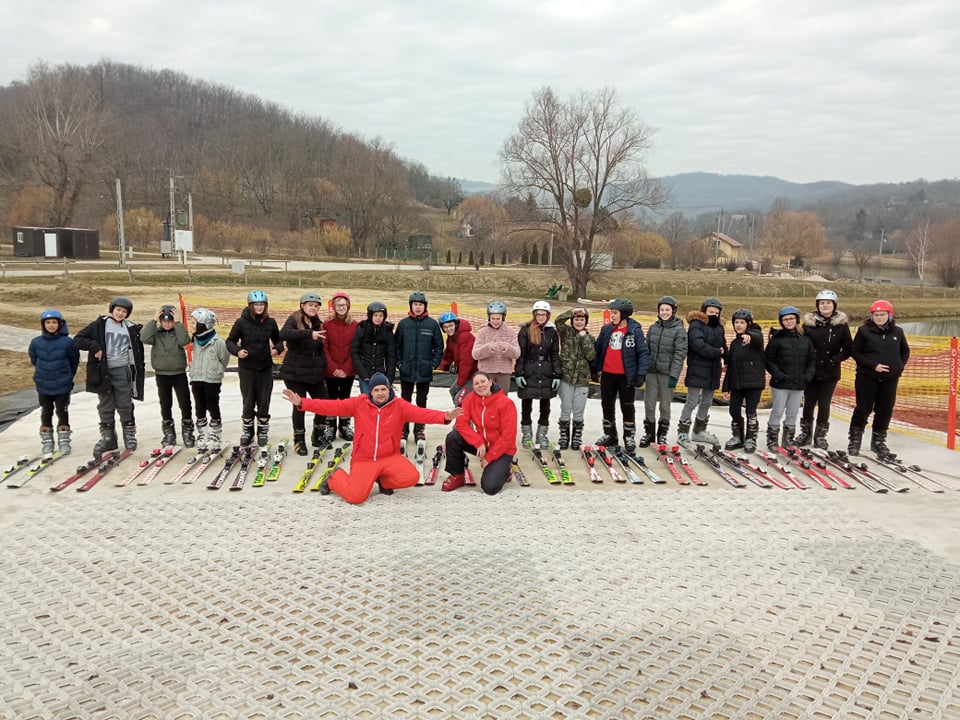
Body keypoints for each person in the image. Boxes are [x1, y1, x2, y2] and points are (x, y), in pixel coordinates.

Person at [282, 372, 461, 504]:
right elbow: (332, 406)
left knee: (412, 477)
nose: (381, 393)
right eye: (376, 390)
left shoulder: (398, 406)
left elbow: (421, 414)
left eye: (384, 389)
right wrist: (302, 403)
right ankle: (334, 478)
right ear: (371, 391)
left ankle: (382, 480)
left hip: (389, 457)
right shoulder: (359, 403)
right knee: (356, 497)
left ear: (389, 389)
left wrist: (444, 416)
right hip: (364, 458)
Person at [74, 296, 146, 457]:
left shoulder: (130, 328)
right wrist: (94, 346)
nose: (120, 313)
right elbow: (78, 340)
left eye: (124, 312)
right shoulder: (99, 325)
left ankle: (129, 434)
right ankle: (108, 438)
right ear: (112, 309)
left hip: (122, 370)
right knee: (105, 405)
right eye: (118, 310)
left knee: (124, 403)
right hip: (103, 371)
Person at [848, 300, 910, 457]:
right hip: (867, 377)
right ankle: (855, 440)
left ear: (890, 315)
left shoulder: (897, 332)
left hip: (889, 379)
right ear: (872, 316)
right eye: (876, 315)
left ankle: (878, 442)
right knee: (863, 409)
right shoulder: (864, 331)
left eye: (883, 314)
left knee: (885, 410)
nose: (879, 317)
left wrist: (899, 366)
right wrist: (873, 365)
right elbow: (855, 352)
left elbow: (905, 351)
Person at [442, 371, 518, 495]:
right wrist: (478, 442)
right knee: (453, 437)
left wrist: (488, 458)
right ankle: (457, 475)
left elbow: (508, 436)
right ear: (473, 386)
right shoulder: (470, 399)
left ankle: (506, 470)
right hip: (482, 444)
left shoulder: (505, 403)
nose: (480, 385)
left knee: (490, 488)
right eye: (476, 383)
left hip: (502, 449)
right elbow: (461, 424)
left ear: (490, 382)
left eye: (483, 381)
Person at [795, 290, 853, 449]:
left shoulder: (841, 325)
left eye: (828, 303)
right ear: (817, 305)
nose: (825, 306)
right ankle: (806, 433)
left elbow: (848, 348)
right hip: (811, 370)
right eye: (822, 303)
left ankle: (820, 436)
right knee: (809, 402)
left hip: (830, 371)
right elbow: (800, 343)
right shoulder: (809, 324)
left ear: (834, 305)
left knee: (824, 403)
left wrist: (834, 360)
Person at [226, 290, 283, 446]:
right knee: (248, 401)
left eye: (262, 304)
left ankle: (262, 431)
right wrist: (238, 351)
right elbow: (230, 341)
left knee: (264, 401)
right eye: (256, 304)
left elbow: (279, 341)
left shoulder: (270, 322)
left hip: (265, 367)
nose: (259, 307)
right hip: (247, 367)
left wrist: (276, 350)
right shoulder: (241, 322)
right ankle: (248, 431)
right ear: (250, 305)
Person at [593, 298, 650, 453]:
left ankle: (629, 436)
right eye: (611, 313)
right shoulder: (606, 330)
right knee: (607, 404)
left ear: (624, 314)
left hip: (626, 376)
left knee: (627, 405)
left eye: (615, 313)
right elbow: (598, 349)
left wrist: (641, 374)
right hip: (608, 374)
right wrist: (594, 369)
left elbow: (643, 353)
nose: (612, 316)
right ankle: (610, 434)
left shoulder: (634, 331)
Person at [279, 293, 327, 456]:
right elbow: (284, 334)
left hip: (314, 372)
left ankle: (318, 435)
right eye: (310, 305)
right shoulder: (294, 319)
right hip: (295, 373)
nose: (313, 308)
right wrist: (308, 333)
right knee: (299, 405)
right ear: (302, 306)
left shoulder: (317, 323)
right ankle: (299, 440)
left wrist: (323, 365)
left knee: (322, 403)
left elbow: (320, 349)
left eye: (316, 306)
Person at [28, 309, 80, 457]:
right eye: (48, 322)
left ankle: (64, 440)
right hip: (43, 384)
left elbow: (74, 361)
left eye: (54, 322)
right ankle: (47, 441)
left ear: (60, 324)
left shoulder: (68, 342)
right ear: (43, 324)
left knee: (62, 411)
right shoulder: (36, 342)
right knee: (46, 411)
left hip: (62, 385)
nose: (51, 325)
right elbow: (34, 359)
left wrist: (67, 376)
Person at [141, 304, 194, 448]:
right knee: (165, 403)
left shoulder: (178, 331)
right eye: (164, 321)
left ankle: (187, 430)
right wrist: (153, 320)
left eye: (170, 321)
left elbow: (184, 341)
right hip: (162, 374)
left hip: (179, 373)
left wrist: (178, 323)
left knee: (185, 402)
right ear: (160, 321)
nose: (167, 324)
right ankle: (168, 432)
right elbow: (144, 338)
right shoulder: (156, 333)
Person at [394, 291, 443, 443]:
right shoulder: (403, 324)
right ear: (411, 306)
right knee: (405, 400)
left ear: (425, 306)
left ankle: (419, 429)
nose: (418, 307)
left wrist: (433, 364)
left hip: (424, 370)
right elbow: (396, 346)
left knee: (421, 401)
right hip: (407, 369)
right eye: (415, 304)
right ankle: (403, 429)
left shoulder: (432, 324)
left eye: (420, 305)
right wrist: (399, 363)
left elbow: (439, 346)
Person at [764, 306, 816, 450]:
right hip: (781, 383)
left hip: (798, 383)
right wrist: (778, 375)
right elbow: (769, 360)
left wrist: (807, 376)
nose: (788, 322)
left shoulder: (805, 339)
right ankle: (772, 440)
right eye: (785, 319)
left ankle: (788, 440)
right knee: (777, 411)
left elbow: (812, 360)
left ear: (797, 320)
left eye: (791, 318)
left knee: (793, 412)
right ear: (781, 322)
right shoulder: (776, 339)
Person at [677, 297, 725, 447]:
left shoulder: (719, 328)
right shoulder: (696, 325)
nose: (713, 315)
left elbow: (723, 346)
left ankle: (699, 431)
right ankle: (683, 431)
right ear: (704, 311)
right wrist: (717, 352)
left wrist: (728, 359)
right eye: (711, 312)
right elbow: (698, 345)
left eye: (716, 313)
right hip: (697, 369)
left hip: (713, 371)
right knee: (692, 401)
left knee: (707, 402)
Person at [642, 296, 687, 447]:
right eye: (662, 310)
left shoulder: (679, 330)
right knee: (649, 404)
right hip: (652, 372)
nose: (664, 312)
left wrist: (674, 375)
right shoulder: (653, 328)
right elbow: (646, 350)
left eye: (667, 310)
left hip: (667, 374)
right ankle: (649, 433)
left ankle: (662, 434)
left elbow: (680, 354)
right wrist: (643, 370)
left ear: (673, 311)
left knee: (664, 406)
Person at [516, 300, 561, 448]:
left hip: (546, 370)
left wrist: (557, 374)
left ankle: (542, 434)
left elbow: (555, 354)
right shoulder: (525, 331)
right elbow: (521, 354)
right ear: (534, 315)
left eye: (544, 314)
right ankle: (527, 434)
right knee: (526, 404)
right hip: (530, 369)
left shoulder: (552, 332)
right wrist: (519, 373)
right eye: (538, 314)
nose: (541, 317)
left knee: (545, 405)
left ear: (548, 316)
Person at [721, 308, 766, 453]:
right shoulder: (735, 343)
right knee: (734, 410)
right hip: (737, 383)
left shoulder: (755, 338)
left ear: (748, 324)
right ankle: (737, 437)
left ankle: (750, 438)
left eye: (742, 323)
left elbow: (758, 337)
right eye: (736, 322)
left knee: (751, 411)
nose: (739, 325)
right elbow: (731, 367)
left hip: (754, 383)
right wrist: (726, 387)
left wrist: (750, 336)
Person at [188, 308, 230, 451]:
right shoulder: (195, 339)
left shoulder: (218, 342)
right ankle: (203, 432)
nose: (192, 325)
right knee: (199, 405)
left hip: (212, 379)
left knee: (212, 404)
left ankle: (215, 433)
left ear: (203, 324)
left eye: (194, 323)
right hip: (197, 377)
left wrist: (216, 369)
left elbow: (224, 359)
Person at [554, 306, 596, 450]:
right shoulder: (566, 332)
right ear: (572, 321)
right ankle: (564, 436)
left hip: (582, 379)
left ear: (586, 322)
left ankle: (577, 436)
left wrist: (584, 338)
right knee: (566, 407)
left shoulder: (590, 337)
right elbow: (558, 321)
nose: (579, 322)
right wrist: (571, 312)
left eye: (582, 320)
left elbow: (591, 355)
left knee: (578, 409)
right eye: (576, 319)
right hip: (566, 377)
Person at [323, 291, 359, 443]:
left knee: (345, 397)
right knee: (331, 398)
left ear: (348, 306)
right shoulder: (327, 324)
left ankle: (344, 425)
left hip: (347, 370)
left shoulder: (354, 325)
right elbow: (324, 348)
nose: (341, 308)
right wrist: (333, 368)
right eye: (338, 305)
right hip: (331, 371)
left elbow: (355, 348)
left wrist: (346, 368)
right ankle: (330, 425)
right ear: (334, 306)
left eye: (344, 305)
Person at [472, 300, 520, 394]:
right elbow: (475, 354)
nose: (495, 321)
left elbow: (517, 354)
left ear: (503, 318)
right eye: (493, 318)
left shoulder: (510, 332)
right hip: (486, 372)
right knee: (486, 397)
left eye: (498, 319)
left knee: (502, 398)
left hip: (504, 373)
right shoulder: (482, 332)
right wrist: (488, 348)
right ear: (489, 318)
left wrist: (508, 348)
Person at [351, 301, 397, 394]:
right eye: (375, 315)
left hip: (381, 374)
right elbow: (354, 352)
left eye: (381, 316)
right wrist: (363, 373)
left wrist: (389, 377)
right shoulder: (362, 329)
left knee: (381, 398)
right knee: (366, 399)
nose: (378, 318)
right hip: (365, 374)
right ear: (370, 315)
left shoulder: (387, 332)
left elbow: (391, 356)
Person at [438, 311, 477, 402]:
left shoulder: (465, 337)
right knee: (453, 391)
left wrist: (460, 384)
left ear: (456, 324)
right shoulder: (452, 338)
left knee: (459, 398)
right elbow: (448, 355)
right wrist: (445, 365)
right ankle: (464, 409)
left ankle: (464, 411)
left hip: (475, 373)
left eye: (451, 325)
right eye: (445, 327)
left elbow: (466, 363)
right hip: (466, 374)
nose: (448, 329)